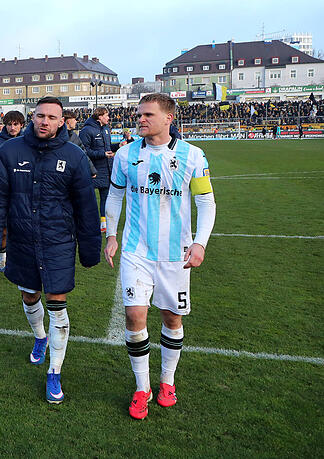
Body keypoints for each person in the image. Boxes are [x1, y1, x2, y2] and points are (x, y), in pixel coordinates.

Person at [103, 93, 216, 420]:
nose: (140, 119)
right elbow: (114, 195)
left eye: (147, 115)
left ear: (169, 118)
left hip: (174, 256)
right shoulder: (125, 155)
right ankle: (143, 387)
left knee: (171, 319)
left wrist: (200, 243)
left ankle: (167, 382)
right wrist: (111, 234)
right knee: (135, 316)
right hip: (136, 253)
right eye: (139, 114)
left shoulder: (192, 155)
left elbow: (206, 203)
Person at [0, 97, 101, 404]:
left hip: (59, 241)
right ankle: (40, 337)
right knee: (29, 296)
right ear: (31, 118)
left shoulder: (74, 156)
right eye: (39, 116)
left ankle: (55, 372)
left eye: (51, 117)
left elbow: (87, 208)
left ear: (62, 122)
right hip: (22, 239)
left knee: (57, 305)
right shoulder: (9, 151)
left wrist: (90, 250)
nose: (44, 121)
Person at [0, 110, 25, 272]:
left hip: (24, 194)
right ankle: (3, 260)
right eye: (9, 124)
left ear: (21, 125)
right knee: (5, 228)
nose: (12, 127)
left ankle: (18, 258)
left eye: (16, 124)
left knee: (22, 228)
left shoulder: (28, 143)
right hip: (4, 194)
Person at [80, 107, 120, 233]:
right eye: (107, 115)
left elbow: (107, 148)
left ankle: (104, 224)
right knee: (88, 200)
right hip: (92, 171)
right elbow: (84, 152)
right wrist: (103, 154)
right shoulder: (86, 130)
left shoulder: (106, 129)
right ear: (99, 116)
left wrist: (118, 146)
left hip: (107, 170)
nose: (109, 118)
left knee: (106, 199)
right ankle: (85, 223)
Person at [62, 110, 97, 178]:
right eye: (74, 119)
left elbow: (83, 154)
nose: (76, 121)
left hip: (71, 174)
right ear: (68, 121)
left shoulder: (74, 136)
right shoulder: (56, 135)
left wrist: (92, 170)